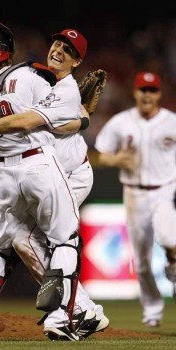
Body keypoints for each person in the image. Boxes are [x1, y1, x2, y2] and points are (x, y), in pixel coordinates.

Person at [0, 28, 109, 339]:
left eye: (67, 51)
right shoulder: (37, 78)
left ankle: (74, 310)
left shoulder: (64, 87)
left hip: (70, 173)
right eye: (57, 43)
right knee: (25, 242)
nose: (58, 50)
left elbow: (51, 122)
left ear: (76, 61)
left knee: (27, 241)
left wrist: (82, 118)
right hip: (40, 174)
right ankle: (81, 308)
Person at [94, 71, 176, 327]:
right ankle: (152, 308)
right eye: (143, 90)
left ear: (159, 93)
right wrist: (116, 159)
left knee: (169, 237)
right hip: (133, 193)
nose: (147, 95)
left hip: (164, 190)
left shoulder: (171, 121)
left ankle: (173, 265)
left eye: (152, 90)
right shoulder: (121, 122)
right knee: (141, 261)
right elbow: (101, 152)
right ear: (135, 92)